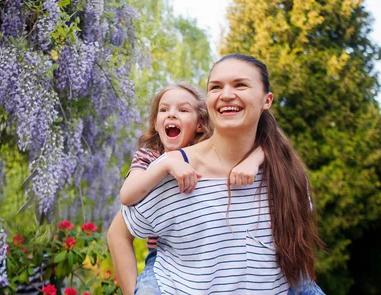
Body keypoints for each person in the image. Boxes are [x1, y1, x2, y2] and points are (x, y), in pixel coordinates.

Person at [121, 54, 324, 294]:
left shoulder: (285, 171)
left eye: (240, 85)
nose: (226, 95)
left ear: (267, 100)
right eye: (216, 87)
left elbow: (298, 257)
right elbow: (122, 229)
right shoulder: (174, 169)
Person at [107, 82, 265, 295]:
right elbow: (127, 195)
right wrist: (166, 164)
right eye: (164, 110)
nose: (172, 115)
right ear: (155, 123)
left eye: (182, 110)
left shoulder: (210, 156)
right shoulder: (149, 156)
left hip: (210, 258)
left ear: (200, 124)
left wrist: (254, 160)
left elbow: (266, 144)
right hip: (165, 256)